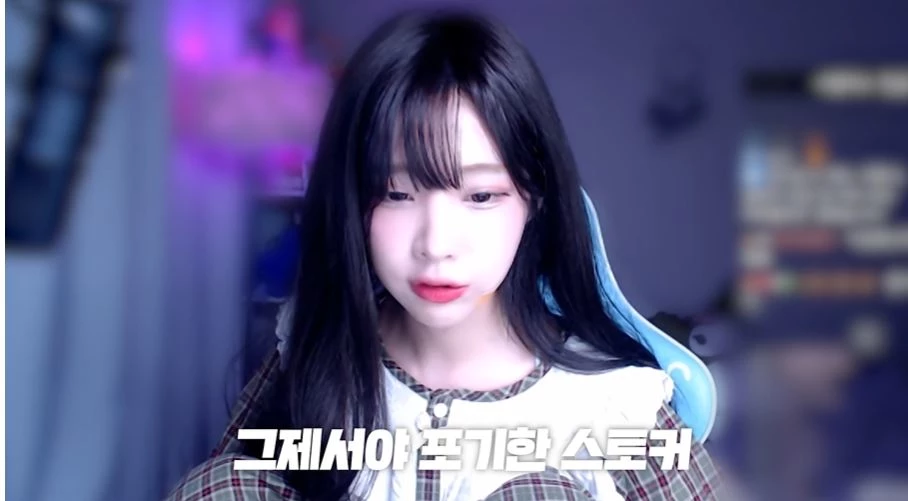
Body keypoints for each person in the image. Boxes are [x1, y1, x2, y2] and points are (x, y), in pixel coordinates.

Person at [165, 8, 721, 501]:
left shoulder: (614, 404)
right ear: (353, 199)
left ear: (534, 199)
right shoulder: (320, 349)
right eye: (395, 194)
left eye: (480, 196)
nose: (435, 245)